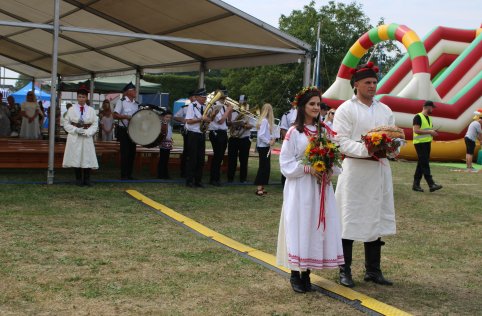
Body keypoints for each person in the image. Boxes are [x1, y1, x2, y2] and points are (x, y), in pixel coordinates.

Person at [333, 62, 397, 288]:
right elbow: (340, 141)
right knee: (348, 220)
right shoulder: (345, 109)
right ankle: (344, 270)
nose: (372, 86)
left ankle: (373, 270)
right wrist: (367, 149)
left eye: (374, 82)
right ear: (356, 84)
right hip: (355, 172)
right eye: (368, 82)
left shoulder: (385, 110)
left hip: (378, 170)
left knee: (375, 218)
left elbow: (395, 136)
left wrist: (392, 147)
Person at [276, 86, 344, 293]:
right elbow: (285, 162)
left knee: (316, 225)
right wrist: (307, 168)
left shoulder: (325, 130)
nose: (316, 107)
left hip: (320, 187)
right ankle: (295, 273)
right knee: (300, 224)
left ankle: (308, 272)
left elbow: (334, 154)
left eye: (318, 104)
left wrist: (330, 167)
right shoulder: (293, 132)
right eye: (311, 104)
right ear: (302, 106)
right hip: (301, 187)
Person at [62, 88, 98, 186]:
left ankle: (87, 179)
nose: (81, 99)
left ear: (87, 98)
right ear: (77, 97)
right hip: (75, 136)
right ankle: (78, 179)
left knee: (87, 156)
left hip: (86, 136)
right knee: (76, 156)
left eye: (83, 97)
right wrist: (75, 130)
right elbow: (65, 123)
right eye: (79, 97)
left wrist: (88, 132)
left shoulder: (91, 110)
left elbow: (95, 124)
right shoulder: (71, 109)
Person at [412, 100, 443, 192]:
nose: (433, 109)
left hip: (427, 142)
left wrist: (432, 133)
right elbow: (416, 130)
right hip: (419, 143)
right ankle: (431, 184)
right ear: (428, 107)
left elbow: (428, 130)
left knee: (421, 163)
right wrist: (430, 132)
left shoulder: (429, 118)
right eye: (432, 107)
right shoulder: (418, 117)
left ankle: (416, 185)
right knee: (424, 163)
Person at [184, 88, 210, 187]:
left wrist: (209, 118)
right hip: (193, 134)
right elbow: (188, 121)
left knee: (201, 159)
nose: (205, 99)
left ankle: (198, 180)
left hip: (201, 134)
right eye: (203, 97)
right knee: (192, 158)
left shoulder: (205, 107)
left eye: (205, 97)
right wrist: (201, 119)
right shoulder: (192, 106)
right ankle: (189, 180)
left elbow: (207, 120)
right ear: (197, 97)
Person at [113, 82, 139, 180]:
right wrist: (125, 116)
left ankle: (129, 174)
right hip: (123, 130)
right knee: (125, 153)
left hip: (133, 130)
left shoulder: (136, 104)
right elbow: (115, 115)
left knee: (132, 152)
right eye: (134, 90)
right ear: (128, 92)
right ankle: (123, 175)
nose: (136, 92)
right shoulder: (121, 102)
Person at [207, 90, 232, 186]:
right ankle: (213, 179)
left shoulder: (224, 106)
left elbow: (228, 121)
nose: (225, 99)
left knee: (220, 156)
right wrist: (228, 110)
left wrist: (229, 111)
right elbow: (220, 121)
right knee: (217, 156)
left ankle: (216, 178)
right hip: (216, 133)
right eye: (223, 97)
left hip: (223, 133)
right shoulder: (215, 106)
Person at [227, 104, 254, 183]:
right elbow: (228, 124)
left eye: (244, 105)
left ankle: (243, 178)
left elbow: (251, 125)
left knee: (244, 160)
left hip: (244, 138)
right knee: (232, 159)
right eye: (241, 105)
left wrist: (244, 125)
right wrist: (233, 123)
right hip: (233, 138)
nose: (243, 107)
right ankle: (230, 178)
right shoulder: (233, 113)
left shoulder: (249, 114)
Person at [254, 103, 276, 196]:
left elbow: (264, 134)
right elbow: (261, 135)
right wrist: (269, 141)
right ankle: (259, 188)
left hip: (264, 146)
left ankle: (261, 187)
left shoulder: (264, 121)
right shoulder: (264, 121)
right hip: (263, 147)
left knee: (266, 167)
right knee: (263, 167)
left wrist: (271, 138)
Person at [173, 91, 194, 178]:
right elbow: (176, 116)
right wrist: (183, 120)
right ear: (190, 98)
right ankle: (184, 171)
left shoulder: (202, 107)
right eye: (194, 97)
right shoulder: (185, 107)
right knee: (187, 152)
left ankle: (193, 171)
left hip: (198, 132)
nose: (195, 98)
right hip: (188, 132)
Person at [279, 97, 298, 186]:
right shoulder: (287, 114)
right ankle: (284, 182)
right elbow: (283, 128)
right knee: (287, 161)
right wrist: (287, 140)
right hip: (289, 140)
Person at [157, 110, 173, 179]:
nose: (168, 119)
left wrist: (171, 140)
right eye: (167, 117)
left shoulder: (169, 125)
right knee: (162, 159)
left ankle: (165, 174)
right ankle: (160, 174)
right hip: (163, 143)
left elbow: (169, 134)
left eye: (169, 117)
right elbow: (161, 135)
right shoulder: (161, 124)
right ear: (163, 117)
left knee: (166, 159)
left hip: (168, 143)